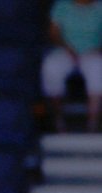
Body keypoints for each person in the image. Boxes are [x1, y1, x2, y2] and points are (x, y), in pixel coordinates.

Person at [41, 0, 102, 132]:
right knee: (51, 66)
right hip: (66, 50)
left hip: (93, 52)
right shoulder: (61, 5)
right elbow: (54, 33)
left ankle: (93, 122)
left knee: (98, 67)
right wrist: (68, 49)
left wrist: (99, 49)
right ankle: (58, 119)